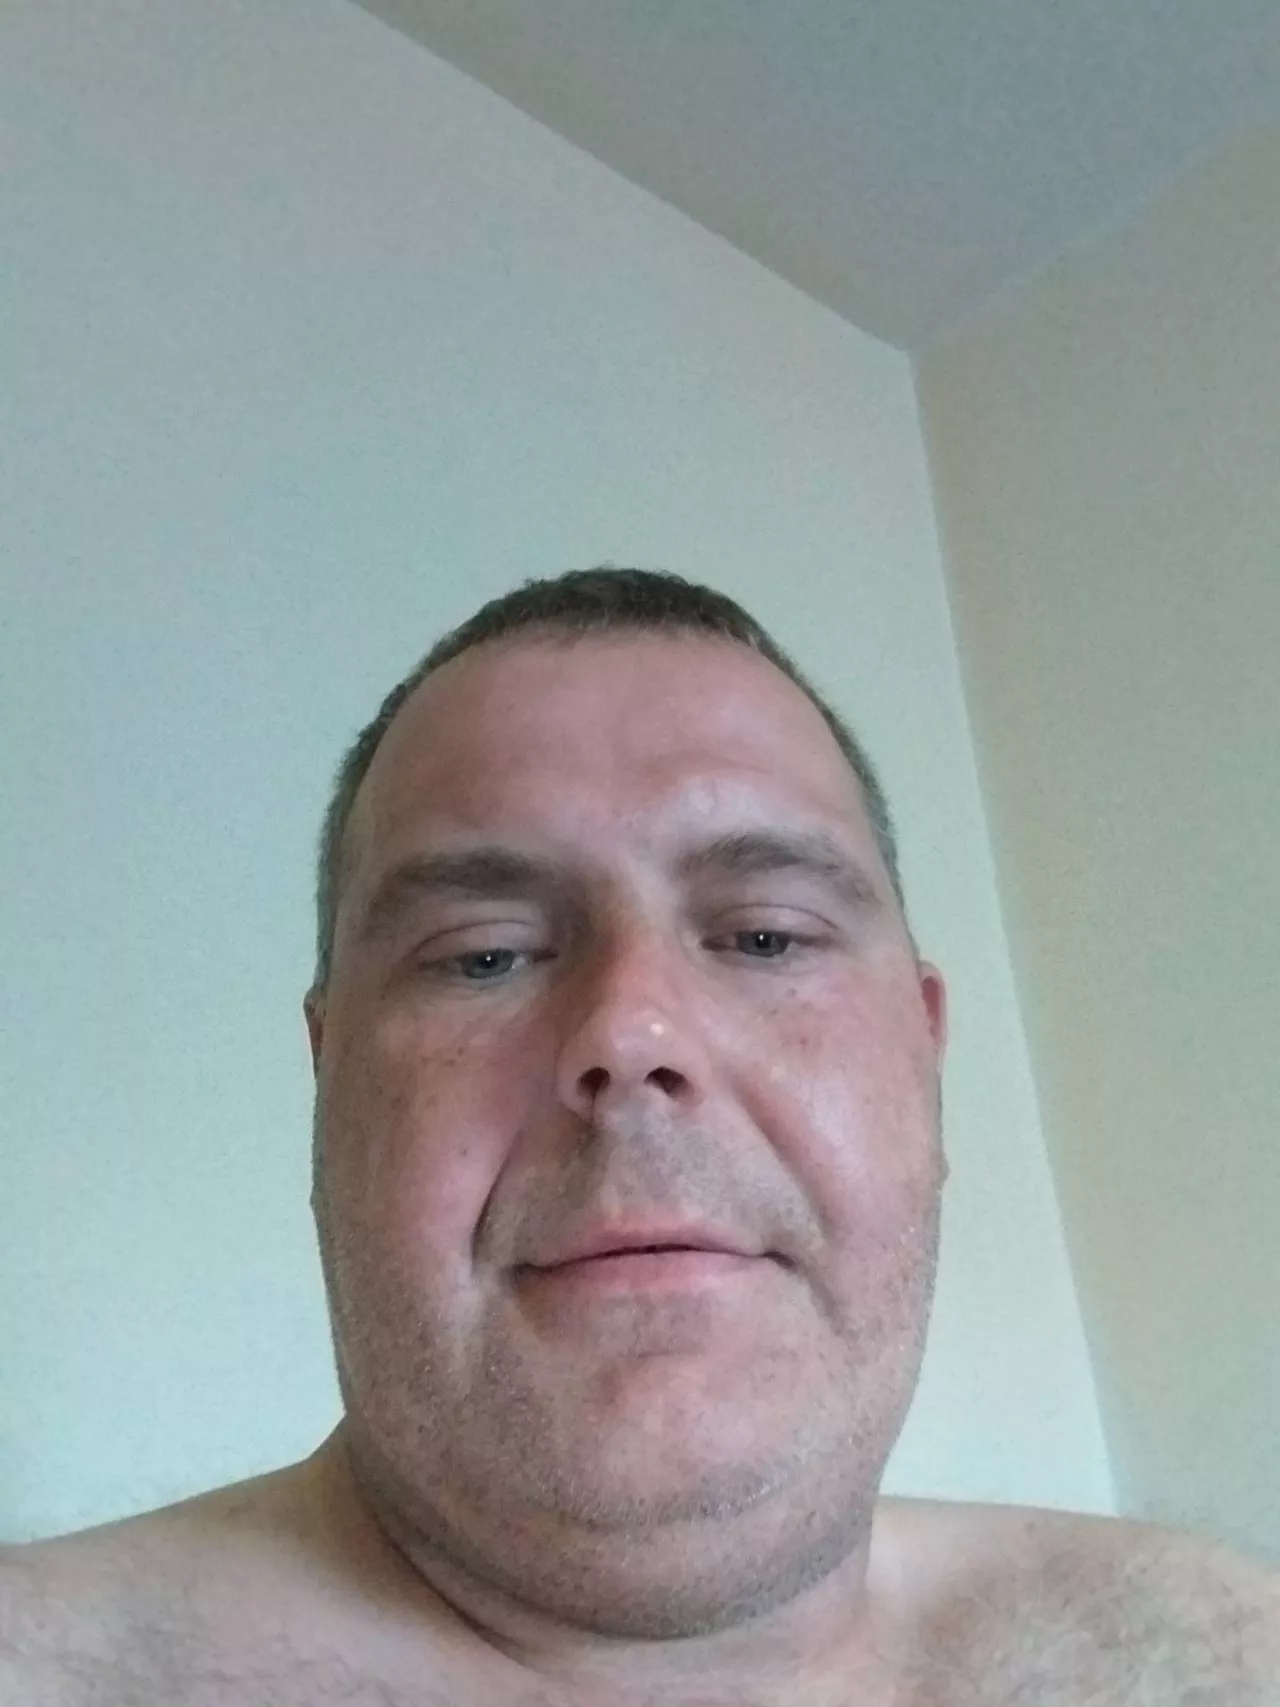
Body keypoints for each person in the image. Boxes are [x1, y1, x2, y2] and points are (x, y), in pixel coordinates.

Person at [2, 566, 1275, 1705]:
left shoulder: (1217, 1655)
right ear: (328, 1082)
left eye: (764, 937)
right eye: (483, 955)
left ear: (923, 1048)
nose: (629, 1029)